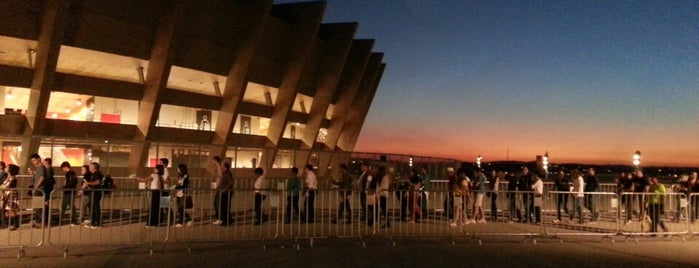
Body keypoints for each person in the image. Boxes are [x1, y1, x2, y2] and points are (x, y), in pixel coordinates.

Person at [28, 153, 47, 227]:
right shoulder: (39, 168)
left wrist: (36, 187)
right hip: (38, 189)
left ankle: (40, 222)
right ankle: (38, 221)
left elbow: (42, 178)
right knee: (37, 206)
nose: (33, 162)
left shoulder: (41, 167)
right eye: (32, 161)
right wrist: (33, 173)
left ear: (39, 159)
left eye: (34, 160)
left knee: (38, 207)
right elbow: (39, 176)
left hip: (39, 189)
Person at [1, 164, 20, 230]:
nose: (5, 168)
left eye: (7, 167)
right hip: (7, 195)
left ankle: (15, 224)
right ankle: (8, 223)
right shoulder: (8, 177)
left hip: (11, 195)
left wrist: (2, 187)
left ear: (10, 170)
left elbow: (7, 186)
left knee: (11, 209)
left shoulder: (13, 178)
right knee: (7, 210)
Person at [85, 162, 104, 228]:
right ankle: (93, 221)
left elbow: (97, 182)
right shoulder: (93, 174)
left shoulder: (97, 173)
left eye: (90, 167)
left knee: (95, 207)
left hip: (96, 192)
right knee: (91, 206)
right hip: (94, 192)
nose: (89, 168)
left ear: (94, 168)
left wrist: (88, 183)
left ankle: (98, 223)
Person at [212, 156, 224, 222]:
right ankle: (218, 217)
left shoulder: (219, 167)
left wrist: (218, 186)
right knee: (216, 202)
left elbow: (220, 177)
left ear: (216, 160)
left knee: (217, 203)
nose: (212, 162)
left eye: (213, 160)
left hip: (219, 187)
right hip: (218, 186)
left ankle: (219, 218)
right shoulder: (218, 167)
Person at [0, 161, 7, 227]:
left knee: (2, 208)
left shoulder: (2, 173)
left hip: (1, 192)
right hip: (2, 191)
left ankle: (3, 223)